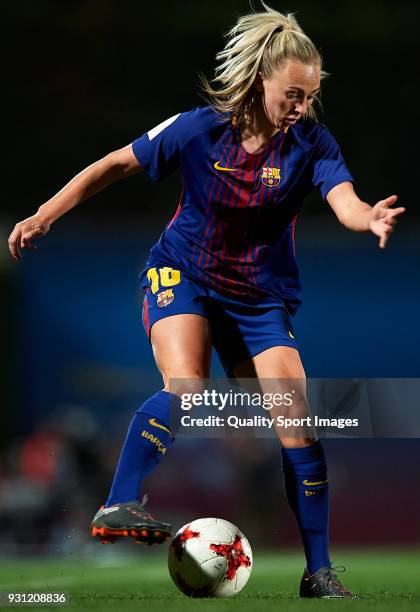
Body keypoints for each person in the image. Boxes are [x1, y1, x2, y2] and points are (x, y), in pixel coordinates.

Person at [8, 3, 404, 599]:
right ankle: (119, 505)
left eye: (310, 97)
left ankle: (318, 573)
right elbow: (115, 164)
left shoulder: (313, 143)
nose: (301, 107)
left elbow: (342, 197)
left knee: (298, 426)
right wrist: (44, 214)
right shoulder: (197, 129)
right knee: (186, 388)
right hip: (182, 275)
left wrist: (363, 215)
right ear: (260, 79)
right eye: (292, 94)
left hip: (259, 300)